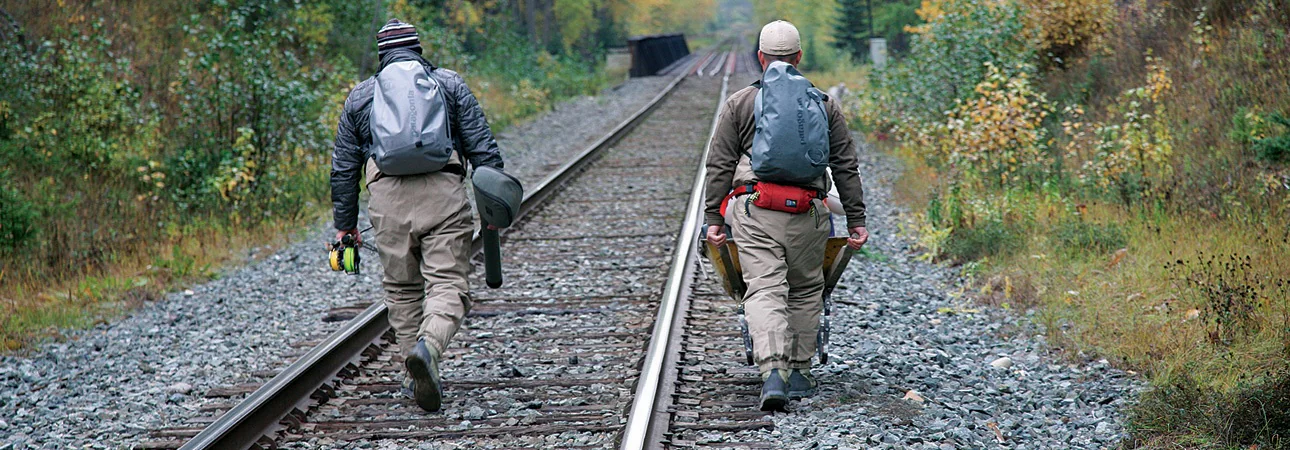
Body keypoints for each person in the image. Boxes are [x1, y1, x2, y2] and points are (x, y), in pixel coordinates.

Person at [331, 19, 505, 413]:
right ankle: (429, 348)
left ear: (381, 55)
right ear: (418, 50)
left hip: (387, 201)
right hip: (443, 193)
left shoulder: (360, 97)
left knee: (403, 289)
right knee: (447, 284)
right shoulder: (449, 84)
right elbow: (484, 150)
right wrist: (492, 208)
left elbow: (343, 168)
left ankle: (415, 370)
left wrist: (346, 226)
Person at [703, 20, 869, 411]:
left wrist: (714, 216)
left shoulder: (740, 103)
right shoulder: (824, 104)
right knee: (806, 288)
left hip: (755, 209)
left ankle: (772, 371)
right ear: (798, 58)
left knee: (764, 288)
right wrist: (856, 220)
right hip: (808, 211)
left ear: (761, 58)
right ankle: (799, 372)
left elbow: (719, 165)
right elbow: (845, 166)